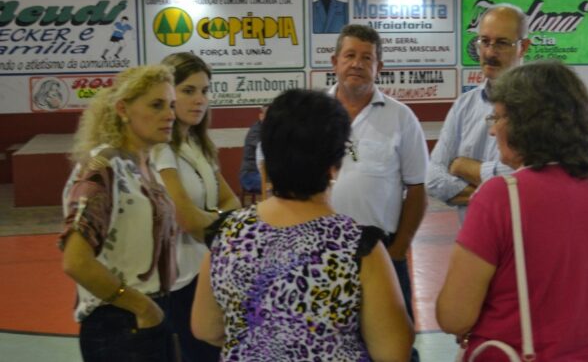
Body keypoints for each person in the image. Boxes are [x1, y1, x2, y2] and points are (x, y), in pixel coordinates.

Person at [191, 89, 414, 361]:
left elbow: (205, 328)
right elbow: (394, 351)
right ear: (335, 163)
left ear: (268, 155)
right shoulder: (357, 246)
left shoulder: (226, 234)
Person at [437, 61, 588, 361]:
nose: (492, 130)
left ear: (526, 123)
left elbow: (453, 316)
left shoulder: (500, 197)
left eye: (499, 117)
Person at [60, 65, 177, 362]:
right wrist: (140, 306)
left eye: (171, 105)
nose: (170, 114)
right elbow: (75, 261)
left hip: (148, 316)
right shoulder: (104, 168)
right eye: (156, 104)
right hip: (119, 323)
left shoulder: (145, 168)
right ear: (123, 109)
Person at [327, 24, 428, 361]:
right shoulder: (313, 114)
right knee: (331, 344)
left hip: (383, 253)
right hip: (322, 254)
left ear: (379, 67)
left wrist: (398, 251)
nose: (357, 63)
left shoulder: (402, 118)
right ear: (334, 62)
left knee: (395, 348)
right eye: (350, 55)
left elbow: (417, 188)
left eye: (366, 58)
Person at [151, 52, 241, 362]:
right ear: (167, 94)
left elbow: (234, 202)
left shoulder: (199, 144)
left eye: (204, 90)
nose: (199, 99)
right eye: (188, 90)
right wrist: (217, 219)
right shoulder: (160, 148)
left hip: (206, 272)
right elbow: (186, 217)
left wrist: (210, 219)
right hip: (175, 283)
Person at [426, 4, 531, 223]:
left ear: (524, 47)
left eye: (502, 43)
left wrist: (463, 167)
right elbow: (432, 176)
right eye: (484, 41)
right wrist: (493, 194)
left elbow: (530, 181)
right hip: (472, 244)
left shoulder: (542, 105)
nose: (490, 52)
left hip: (525, 244)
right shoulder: (464, 106)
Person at [239, 104, 268, 194]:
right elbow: (265, 148)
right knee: (280, 186)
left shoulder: (270, 130)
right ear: (261, 116)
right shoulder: (255, 131)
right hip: (250, 175)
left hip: (264, 175)